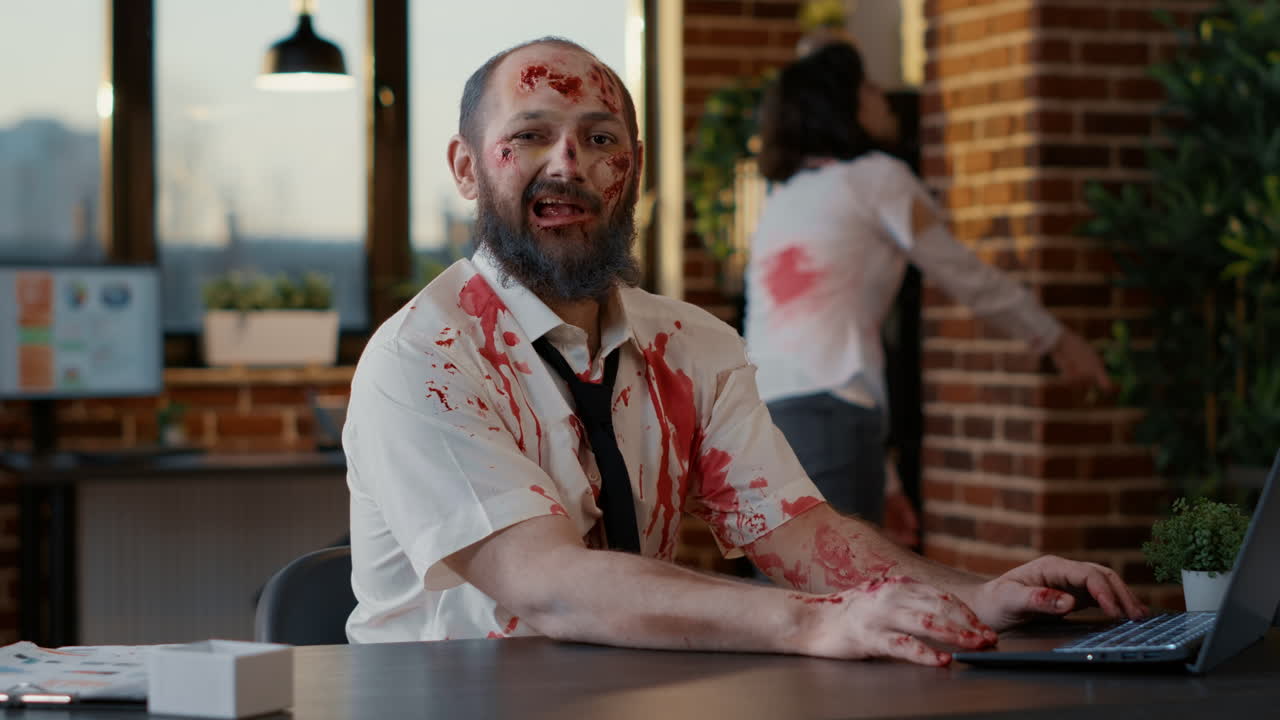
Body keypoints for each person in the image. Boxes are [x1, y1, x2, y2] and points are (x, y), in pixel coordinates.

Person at [342, 36, 1144, 666]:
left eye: (599, 137)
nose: (570, 165)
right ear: (467, 168)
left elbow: (796, 535)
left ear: (634, 170)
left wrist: (977, 595)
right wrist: (814, 625)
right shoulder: (425, 355)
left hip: (613, 690)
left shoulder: (693, 345)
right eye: (531, 135)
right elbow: (545, 586)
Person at [744, 43, 1114, 535]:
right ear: (844, 104)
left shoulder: (784, 201)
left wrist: (884, 481)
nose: (885, 100)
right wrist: (1058, 339)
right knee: (842, 599)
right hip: (830, 422)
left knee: (792, 597)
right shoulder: (876, 179)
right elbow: (964, 275)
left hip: (767, 423)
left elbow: (811, 347)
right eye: (870, 88)